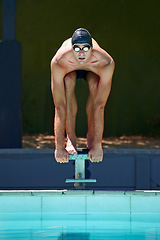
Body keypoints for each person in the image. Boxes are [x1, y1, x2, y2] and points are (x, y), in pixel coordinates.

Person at [51, 28, 114, 163]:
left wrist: (98, 145)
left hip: (93, 69)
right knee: (68, 82)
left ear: (92, 49)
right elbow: (59, 105)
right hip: (69, 68)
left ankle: (91, 136)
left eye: (85, 48)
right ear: (71, 48)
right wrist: (59, 147)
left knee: (94, 85)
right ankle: (71, 139)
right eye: (77, 48)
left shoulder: (105, 62)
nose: (81, 53)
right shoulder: (59, 61)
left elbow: (100, 105)